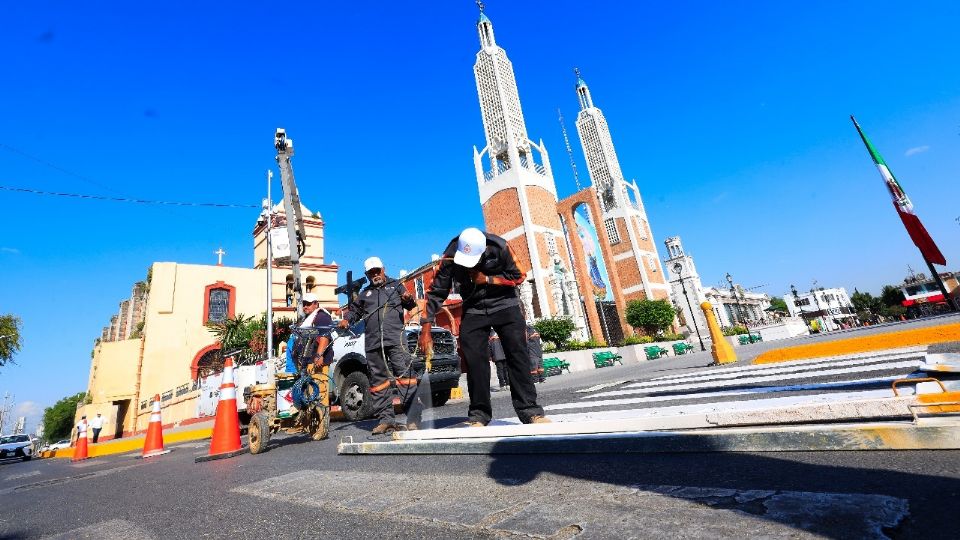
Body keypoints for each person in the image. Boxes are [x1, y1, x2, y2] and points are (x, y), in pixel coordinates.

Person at [419, 227, 550, 427]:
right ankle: (479, 415)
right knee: (474, 362)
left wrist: (489, 279)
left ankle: (530, 411)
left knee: (517, 356)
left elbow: (520, 276)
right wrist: (426, 329)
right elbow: (436, 292)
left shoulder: (501, 247)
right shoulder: (451, 255)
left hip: (505, 305)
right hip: (473, 308)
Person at [340, 256, 422, 435]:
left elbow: (411, 304)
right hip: (373, 343)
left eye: (377, 270)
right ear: (367, 274)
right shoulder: (365, 293)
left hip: (395, 339)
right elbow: (353, 312)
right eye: (371, 272)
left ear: (383, 269)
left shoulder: (396, 285)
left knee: (406, 378)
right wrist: (346, 320)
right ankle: (386, 420)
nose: (375, 274)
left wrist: (408, 298)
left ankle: (414, 419)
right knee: (379, 383)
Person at [288, 293, 334, 373]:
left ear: (316, 304)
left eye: (308, 304)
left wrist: (319, 355)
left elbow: (325, 336)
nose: (305, 306)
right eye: (304, 304)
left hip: (317, 364)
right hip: (308, 363)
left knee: (317, 385)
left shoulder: (321, 316)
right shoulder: (309, 318)